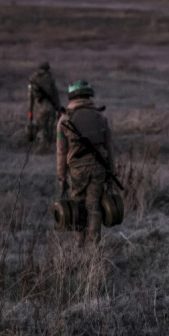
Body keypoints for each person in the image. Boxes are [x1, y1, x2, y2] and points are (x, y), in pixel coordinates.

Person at [56, 80, 113, 247]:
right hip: (99, 167)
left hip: (76, 170)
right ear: (89, 95)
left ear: (72, 95)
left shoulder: (64, 120)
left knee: (78, 205)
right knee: (94, 205)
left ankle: (79, 243)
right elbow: (109, 147)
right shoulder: (101, 117)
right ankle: (93, 245)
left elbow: (61, 152)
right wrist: (112, 171)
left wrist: (61, 177)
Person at [28, 61, 62, 154]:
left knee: (41, 128)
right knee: (50, 128)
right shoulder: (50, 78)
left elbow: (30, 97)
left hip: (39, 108)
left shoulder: (32, 79)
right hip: (51, 107)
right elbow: (55, 94)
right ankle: (48, 147)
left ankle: (42, 147)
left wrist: (30, 112)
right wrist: (59, 109)